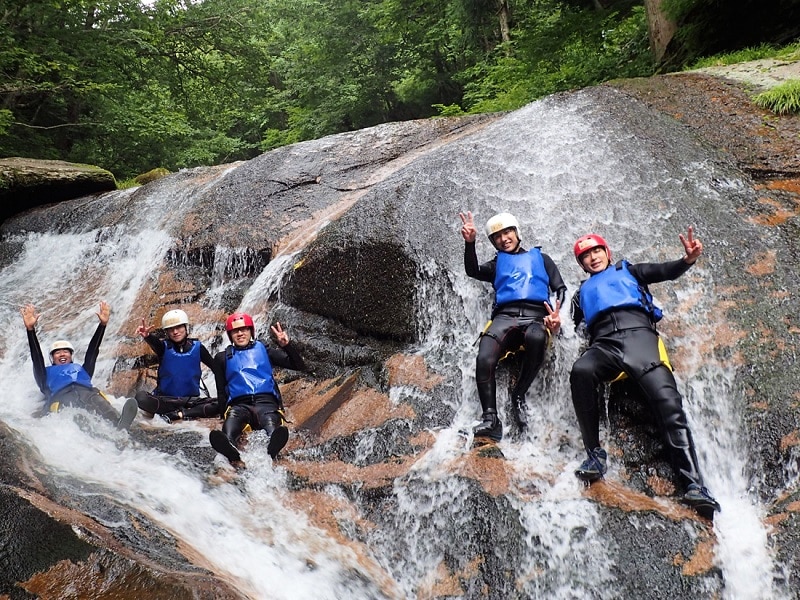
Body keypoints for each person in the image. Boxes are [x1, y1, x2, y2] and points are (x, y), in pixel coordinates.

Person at [569, 227, 721, 517]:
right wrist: (552, 326)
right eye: (585, 256)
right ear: (582, 264)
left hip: (641, 339)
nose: (593, 257)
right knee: (581, 370)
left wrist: (686, 260)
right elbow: (574, 332)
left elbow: (665, 271)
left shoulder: (630, 271)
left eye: (596, 251)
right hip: (604, 345)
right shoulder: (580, 295)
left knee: (668, 403)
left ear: (607, 252)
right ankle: (595, 455)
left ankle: (694, 485)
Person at [459, 211, 567, 441]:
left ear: (517, 232)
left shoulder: (542, 258)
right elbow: (473, 271)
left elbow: (561, 288)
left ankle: (519, 394)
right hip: (504, 318)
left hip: (537, 316)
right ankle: (490, 418)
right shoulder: (497, 263)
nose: (503, 238)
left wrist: (558, 314)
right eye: (497, 236)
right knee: (484, 354)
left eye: (507, 232)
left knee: (536, 338)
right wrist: (470, 244)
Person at [209, 312, 306, 468]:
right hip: (239, 405)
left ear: (251, 331)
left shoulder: (264, 349)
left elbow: (298, 366)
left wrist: (287, 346)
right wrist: (223, 415)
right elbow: (221, 390)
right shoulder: (222, 358)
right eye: (235, 331)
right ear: (230, 334)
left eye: (244, 329)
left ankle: (272, 448)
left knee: (271, 425)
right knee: (231, 425)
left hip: (266, 402)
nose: (240, 333)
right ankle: (231, 450)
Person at [21, 302, 138, 430]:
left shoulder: (82, 369)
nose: (62, 354)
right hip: (62, 398)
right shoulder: (44, 374)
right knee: (76, 418)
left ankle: (119, 424)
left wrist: (102, 325)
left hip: (88, 394)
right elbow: (36, 357)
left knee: (100, 402)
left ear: (71, 356)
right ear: (52, 358)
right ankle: (88, 432)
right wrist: (30, 330)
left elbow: (93, 351)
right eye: (57, 353)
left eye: (65, 351)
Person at [135, 309, 219, 423]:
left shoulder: (198, 347)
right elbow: (156, 344)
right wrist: (147, 336)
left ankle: (179, 414)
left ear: (185, 327)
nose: (175, 332)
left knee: (221, 403)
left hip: (190, 402)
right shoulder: (163, 347)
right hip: (165, 401)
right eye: (171, 329)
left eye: (179, 327)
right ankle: (179, 413)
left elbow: (216, 368)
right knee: (141, 397)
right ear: (167, 332)